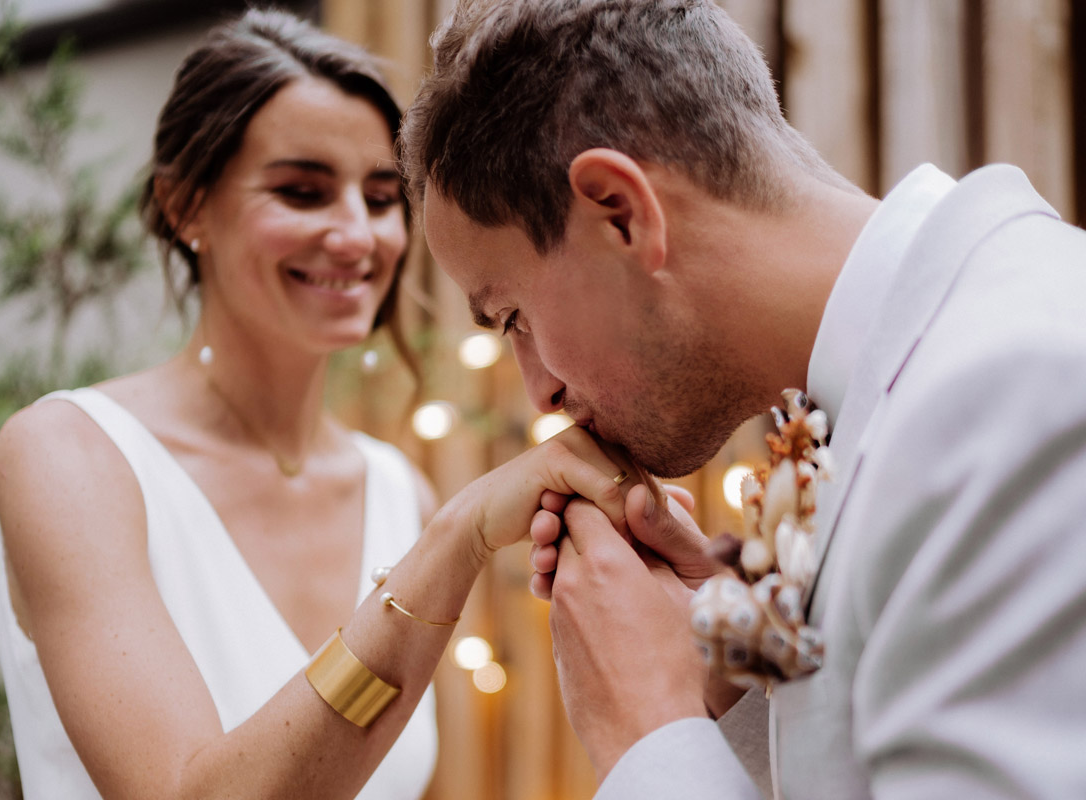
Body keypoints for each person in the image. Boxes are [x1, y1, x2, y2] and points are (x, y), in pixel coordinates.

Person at [399, 0, 1086, 798]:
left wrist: (648, 731)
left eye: (514, 317)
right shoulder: (876, 395)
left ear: (619, 213)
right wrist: (735, 693)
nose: (540, 392)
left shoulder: (1020, 391)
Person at [0, 9, 646, 799]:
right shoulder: (69, 455)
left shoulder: (393, 487)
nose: (354, 235)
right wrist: (455, 541)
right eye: (302, 192)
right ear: (184, 206)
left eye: (378, 197)